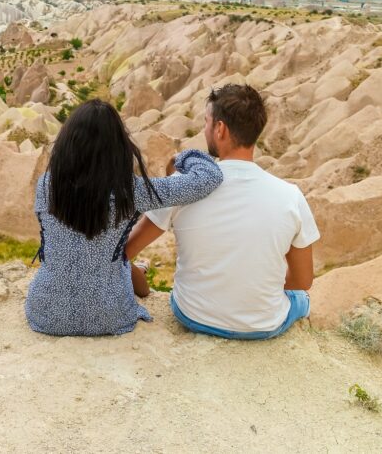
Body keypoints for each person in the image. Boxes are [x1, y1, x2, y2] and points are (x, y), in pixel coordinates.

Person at [127, 83, 319, 340]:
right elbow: (303, 280)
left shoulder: (183, 186)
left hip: (191, 315)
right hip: (263, 325)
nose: (204, 130)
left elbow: (127, 250)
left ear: (220, 129)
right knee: (301, 298)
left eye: (206, 122)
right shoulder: (291, 196)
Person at [25, 99, 223, 336]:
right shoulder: (130, 191)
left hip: (46, 313)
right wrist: (181, 158)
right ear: (118, 148)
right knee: (116, 260)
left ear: (67, 144)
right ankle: (137, 269)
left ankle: (135, 268)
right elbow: (208, 178)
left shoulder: (46, 185)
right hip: (110, 315)